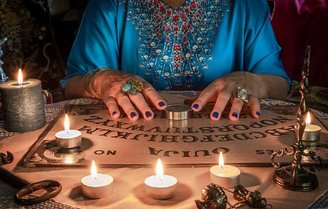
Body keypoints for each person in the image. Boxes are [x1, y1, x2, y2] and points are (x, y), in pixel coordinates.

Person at [61, 0, 290, 121]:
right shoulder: (111, 4)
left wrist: (254, 82)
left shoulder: (246, 5)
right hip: (130, 137)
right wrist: (101, 81)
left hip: (225, 138)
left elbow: (279, 82)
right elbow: (73, 84)